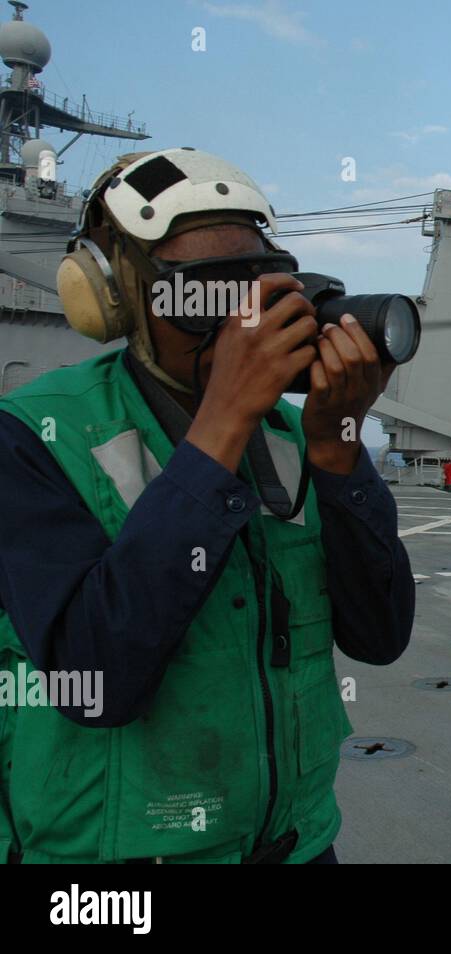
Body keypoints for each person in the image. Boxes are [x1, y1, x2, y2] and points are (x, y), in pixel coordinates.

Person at [0, 148, 415, 864]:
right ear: (115, 296)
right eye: (204, 296)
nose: (235, 325)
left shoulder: (289, 437)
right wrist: (219, 427)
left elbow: (378, 635)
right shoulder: (35, 436)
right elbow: (93, 682)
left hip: (294, 846)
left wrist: (339, 451)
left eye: (253, 290)